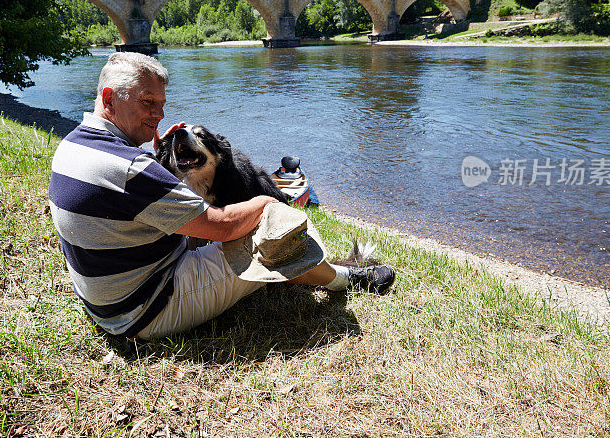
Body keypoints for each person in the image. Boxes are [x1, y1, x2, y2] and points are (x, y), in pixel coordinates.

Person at [48, 52, 395, 339]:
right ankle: (345, 278)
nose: (159, 114)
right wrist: (267, 202)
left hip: (108, 303)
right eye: (147, 102)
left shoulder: (73, 145)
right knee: (278, 230)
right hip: (149, 307)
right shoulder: (130, 169)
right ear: (109, 98)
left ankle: (323, 270)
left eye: (161, 103)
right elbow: (224, 227)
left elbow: (130, 193)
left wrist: (157, 158)